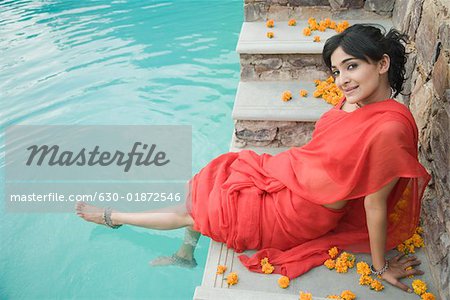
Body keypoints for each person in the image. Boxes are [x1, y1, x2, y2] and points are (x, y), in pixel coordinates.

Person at [76, 24, 431, 293]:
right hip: (288, 176)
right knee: (207, 181)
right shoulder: (361, 102)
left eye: (351, 67)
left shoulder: (389, 128)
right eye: (337, 72)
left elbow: (375, 203)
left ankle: (112, 217)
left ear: (383, 63)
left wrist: (382, 267)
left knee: (200, 210)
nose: (341, 81)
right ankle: (186, 253)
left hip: (299, 211)